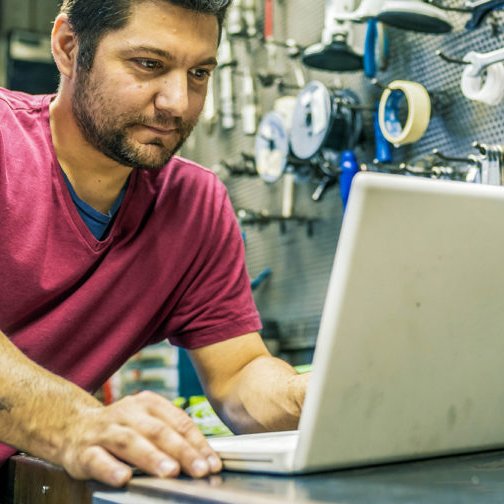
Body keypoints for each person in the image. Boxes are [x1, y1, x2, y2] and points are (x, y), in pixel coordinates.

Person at [0, 0, 310, 489]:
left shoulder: (196, 207)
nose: (178, 103)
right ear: (67, 47)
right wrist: (77, 421)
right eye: (149, 64)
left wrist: (304, 396)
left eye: (200, 73)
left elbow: (238, 375)